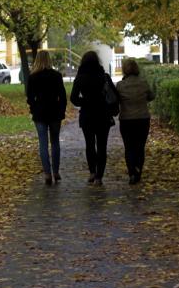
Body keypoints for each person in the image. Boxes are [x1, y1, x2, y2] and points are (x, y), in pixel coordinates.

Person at [70, 51, 118, 186]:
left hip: (87, 115)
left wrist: (84, 102)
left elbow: (73, 98)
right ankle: (99, 176)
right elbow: (114, 95)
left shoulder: (80, 78)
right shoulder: (104, 76)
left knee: (89, 144)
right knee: (102, 146)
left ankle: (92, 171)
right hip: (103, 114)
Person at [27, 50, 67, 186]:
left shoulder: (33, 77)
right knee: (55, 142)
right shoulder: (56, 76)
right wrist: (62, 110)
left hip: (40, 113)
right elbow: (62, 96)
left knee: (43, 143)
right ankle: (56, 171)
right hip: (55, 112)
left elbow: (30, 98)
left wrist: (33, 109)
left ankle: (47, 173)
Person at [116, 58, 155, 185]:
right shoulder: (143, 82)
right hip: (142, 119)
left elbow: (116, 100)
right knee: (140, 147)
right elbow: (151, 96)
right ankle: (138, 170)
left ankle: (131, 172)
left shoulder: (120, 85)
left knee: (129, 147)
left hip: (126, 120)